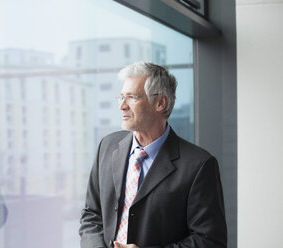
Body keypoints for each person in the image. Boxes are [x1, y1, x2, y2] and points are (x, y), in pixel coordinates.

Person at [79, 62, 227, 248]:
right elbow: (91, 214)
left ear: (160, 103)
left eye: (131, 97)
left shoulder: (199, 165)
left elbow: (210, 240)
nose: (122, 106)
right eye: (121, 97)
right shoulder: (107, 146)